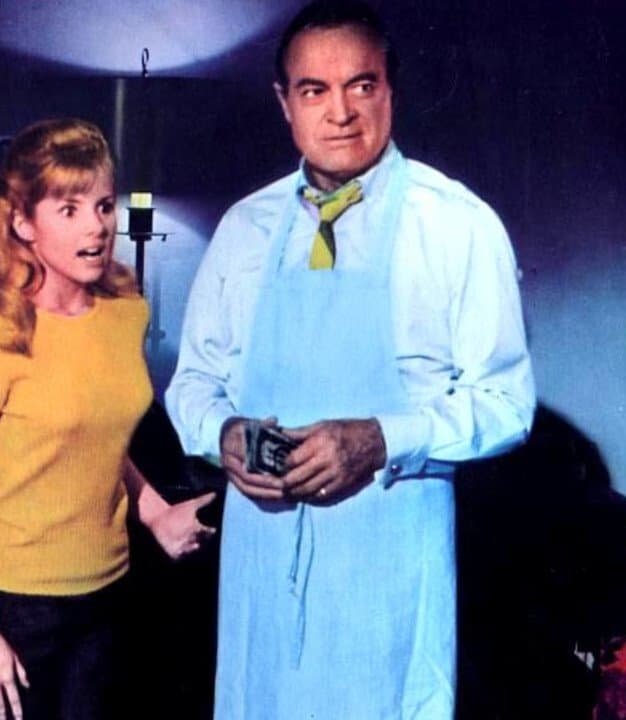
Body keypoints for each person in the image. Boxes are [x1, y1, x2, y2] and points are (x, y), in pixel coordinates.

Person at [165, 1, 537, 717]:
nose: (340, 113)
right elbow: (194, 383)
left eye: (361, 85)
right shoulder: (246, 229)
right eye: (315, 90)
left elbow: (506, 405)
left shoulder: (456, 225)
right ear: (285, 103)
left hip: (387, 575)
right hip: (262, 567)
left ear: (390, 89)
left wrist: (378, 440)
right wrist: (223, 433)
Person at [0, 118, 216, 720]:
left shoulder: (124, 313)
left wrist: (155, 511)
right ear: (22, 222)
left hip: (109, 599)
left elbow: (98, 438)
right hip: (17, 612)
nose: (97, 226)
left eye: (104, 206)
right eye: (69, 209)